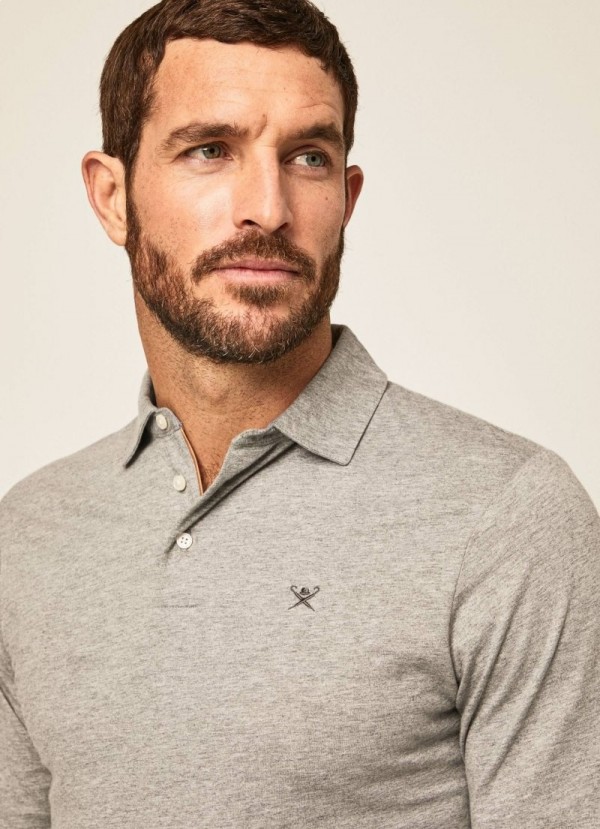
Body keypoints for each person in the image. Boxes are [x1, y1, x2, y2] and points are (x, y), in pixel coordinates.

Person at [1, 0, 598, 826]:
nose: (268, 207)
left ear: (347, 198)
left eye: (308, 157)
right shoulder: (27, 535)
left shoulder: (507, 517)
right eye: (210, 150)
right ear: (112, 197)